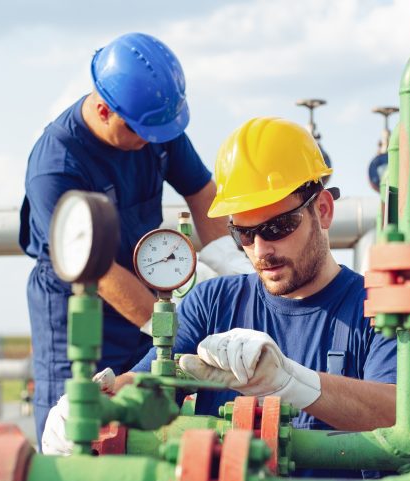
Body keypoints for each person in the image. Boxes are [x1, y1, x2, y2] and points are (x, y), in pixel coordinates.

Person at [127, 116, 402, 481]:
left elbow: (403, 410)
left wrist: (292, 382)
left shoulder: (377, 310)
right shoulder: (211, 305)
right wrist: (95, 402)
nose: (260, 249)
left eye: (277, 226)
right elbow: (146, 390)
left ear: (322, 210)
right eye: (242, 234)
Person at [19, 32, 252, 439]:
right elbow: (97, 272)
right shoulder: (56, 166)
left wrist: (230, 266)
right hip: (80, 313)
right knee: (76, 429)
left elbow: (201, 190)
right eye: (140, 132)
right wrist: (174, 330)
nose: (149, 142)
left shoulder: (153, 124)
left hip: (145, 290)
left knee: (150, 418)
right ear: (104, 109)